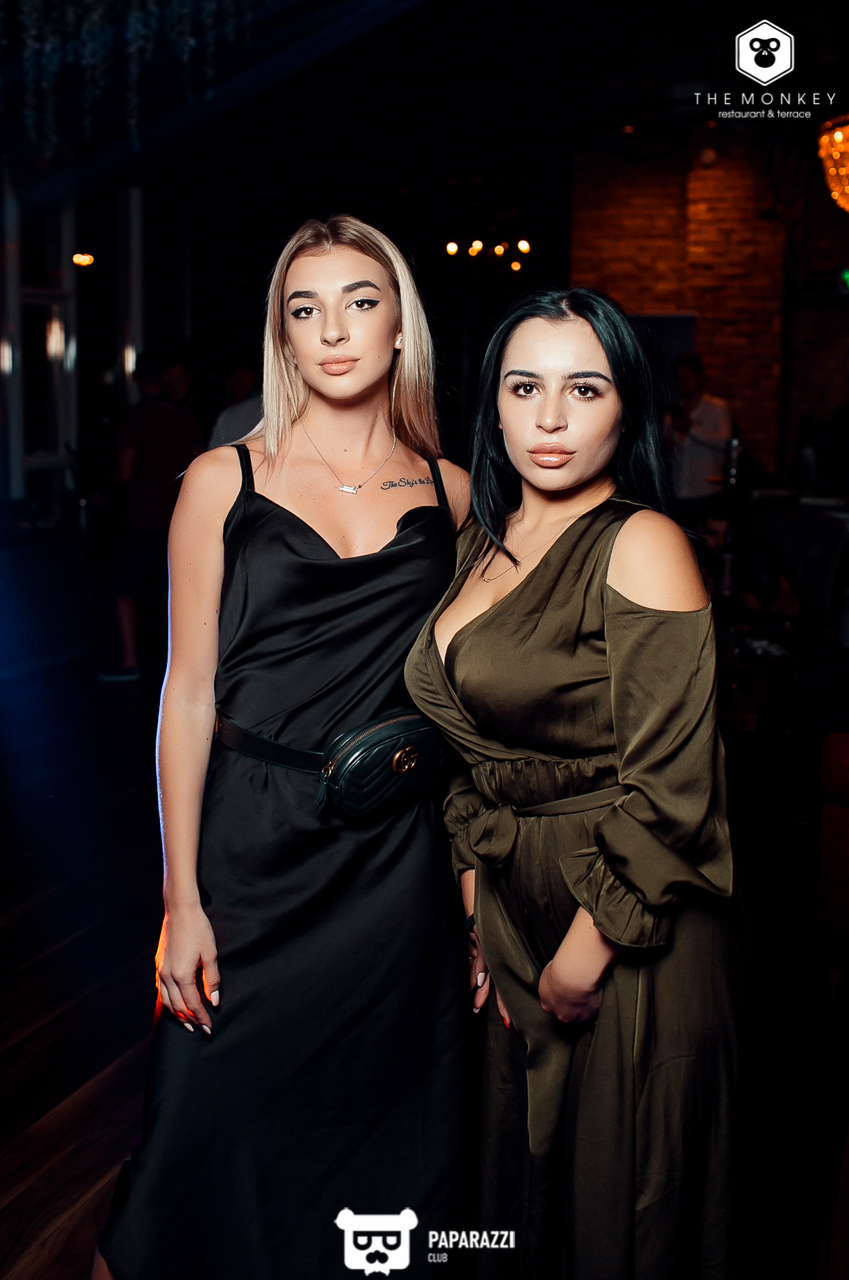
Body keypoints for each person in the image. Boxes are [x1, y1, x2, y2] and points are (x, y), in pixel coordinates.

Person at [94, 216, 471, 1279]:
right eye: (306, 309)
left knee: (377, 1145)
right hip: (252, 845)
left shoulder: (453, 492)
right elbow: (186, 694)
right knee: (184, 1144)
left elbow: (472, 709)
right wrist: (181, 899)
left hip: (394, 857)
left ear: (399, 326)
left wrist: (477, 895)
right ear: (284, 338)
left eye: (360, 302)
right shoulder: (222, 479)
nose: (334, 330)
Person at [405, 289, 736, 1279]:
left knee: (620, 1204)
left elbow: (673, 790)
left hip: (621, 923)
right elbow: (470, 757)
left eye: (583, 389)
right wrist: (482, 908)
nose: (550, 418)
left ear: (626, 408)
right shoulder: (478, 542)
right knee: (521, 1200)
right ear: (494, 407)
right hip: (512, 908)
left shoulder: (642, 542)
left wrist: (580, 959)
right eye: (525, 387)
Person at [98, 353, 204, 682]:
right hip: (178, 516)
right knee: (170, 591)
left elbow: (125, 470)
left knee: (123, 589)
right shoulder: (185, 416)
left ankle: (131, 661)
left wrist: (107, 492)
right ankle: (177, 663)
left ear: (136, 378)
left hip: (142, 517)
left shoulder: (134, 417)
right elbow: (198, 464)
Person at [667, 352, 732, 523]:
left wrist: (691, 429)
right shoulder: (673, 412)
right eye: (679, 377)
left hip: (708, 495)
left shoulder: (716, 407)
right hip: (679, 494)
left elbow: (725, 442)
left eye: (688, 376)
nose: (684, 382)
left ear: (699, 377)